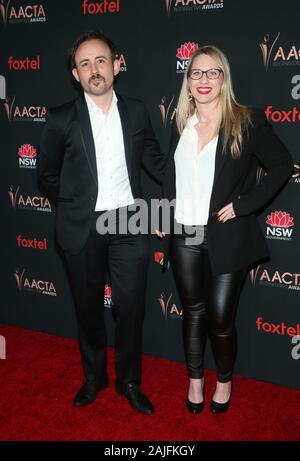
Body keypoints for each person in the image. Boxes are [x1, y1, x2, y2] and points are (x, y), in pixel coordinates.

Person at [158, 45, 293, 414]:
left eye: (212, 72)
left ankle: (225, 379)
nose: (204, 79)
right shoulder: (179, 124)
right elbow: (172, 179)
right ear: (187, 82)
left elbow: (282, 165)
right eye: (196, 72)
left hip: (227, 235)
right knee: (192, 311)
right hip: (185, 234)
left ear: (223, 79)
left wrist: (244, 205)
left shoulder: (246, 121)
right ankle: (196, 379)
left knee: (220, 317)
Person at [38, 30, 165, 415]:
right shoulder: (60, 119)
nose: (94, 70)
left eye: (101, 61)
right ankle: (94, 378)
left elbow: (155, 162)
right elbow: (47, 176)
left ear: (116, 64)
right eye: (85, 63)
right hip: (83, 227)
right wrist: (75, 206)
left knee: (130, 308)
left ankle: (129, 381)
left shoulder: (138, 111)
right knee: (88, 308)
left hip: (130, 220)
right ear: (75, 74)